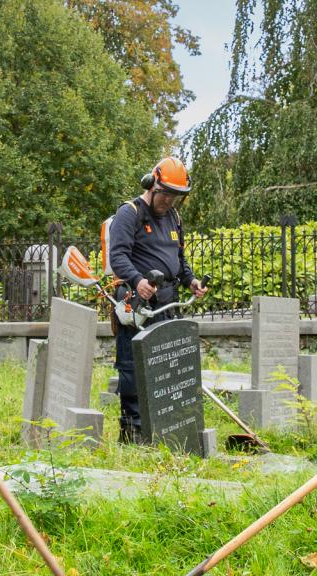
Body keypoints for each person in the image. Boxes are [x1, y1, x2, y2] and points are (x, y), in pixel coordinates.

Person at [101, 157, 206, 442]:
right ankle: (133, 429)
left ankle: (165, 424)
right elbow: (118, 256)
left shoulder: (174, 218)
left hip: (168, 300)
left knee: (166, 362)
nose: (170, 201)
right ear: (152, 185)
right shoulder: (130, 213)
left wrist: (191, 280)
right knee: (133, 364)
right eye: (166, 194)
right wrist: (138, 281)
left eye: (176, 196)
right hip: (137, 300)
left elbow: (179, 260)